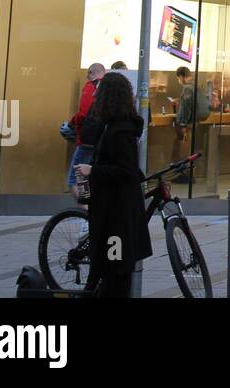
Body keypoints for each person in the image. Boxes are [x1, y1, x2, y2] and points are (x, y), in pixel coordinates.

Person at [72, 73, 152, 298]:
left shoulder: (120, 131)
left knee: (115, 269)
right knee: (110, 269)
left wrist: (92, 170)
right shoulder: (112, 126)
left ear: (109, 96)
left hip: (117, 216)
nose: (95, 94)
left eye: (100, 90)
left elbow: (125, 170)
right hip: (112, 212)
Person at [67, 62, 105, 201]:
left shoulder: (91, 87)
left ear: (91, 73)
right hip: (103, 141)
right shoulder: (109, 88)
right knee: (94, 179)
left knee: (74, 181)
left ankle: (87, 216)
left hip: (87, 141)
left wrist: (72, 122)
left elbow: (83, 113)